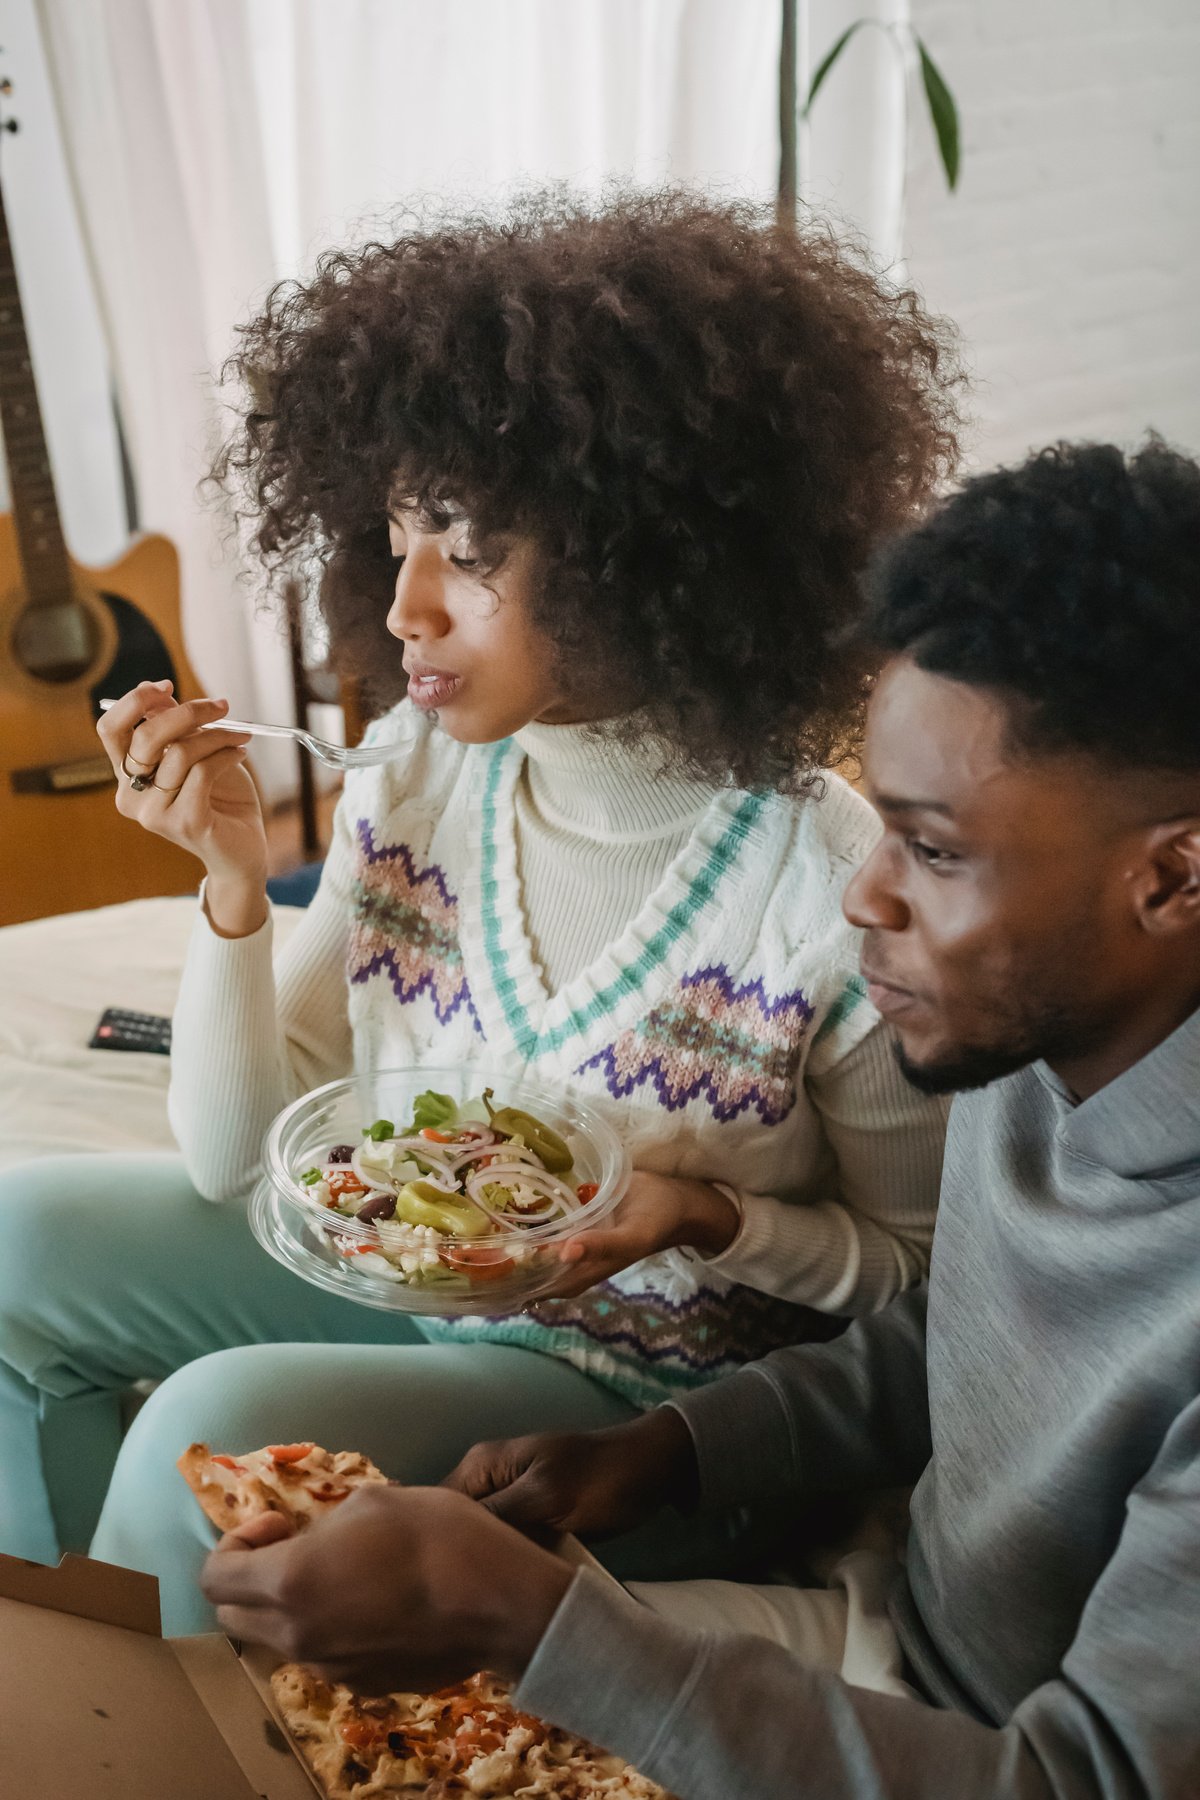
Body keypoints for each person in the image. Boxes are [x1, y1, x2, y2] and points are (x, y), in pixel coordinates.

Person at [0, 192, 960, 1616]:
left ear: (655, 555)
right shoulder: (415, 779)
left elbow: (923, 1295)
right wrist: (231, 892)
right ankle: (99, 1680)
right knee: (14, 1243)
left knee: (198, 1438)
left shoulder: (827, 895)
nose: (404, 609)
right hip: (417, 1297)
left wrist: (709, 1219)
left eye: (471, 551)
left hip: (647, 1424)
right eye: (396, 540)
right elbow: (236, 1166)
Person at [205, 439, 1200, 1799]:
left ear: (1176, 875)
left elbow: (1082, 1781)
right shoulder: (1043, 1042)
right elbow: (956, 1336)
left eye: (935, 849)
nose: (865, 899)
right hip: (877, 1632)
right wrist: (662, 1454)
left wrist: (535, 1621)